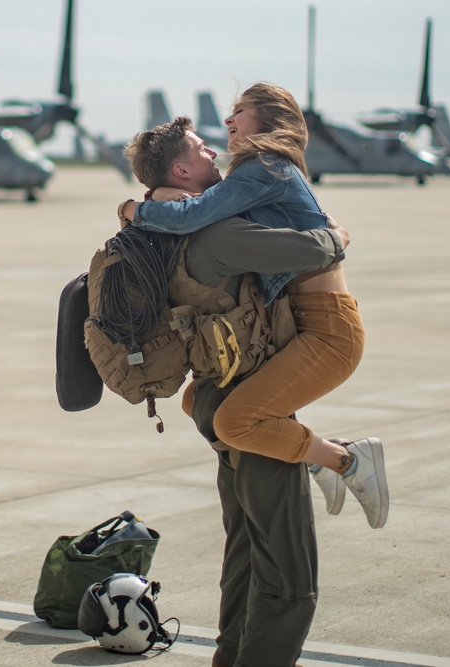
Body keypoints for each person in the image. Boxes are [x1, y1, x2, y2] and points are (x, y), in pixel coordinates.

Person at [120, 118, 346, 667]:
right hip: (252, 406)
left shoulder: (154, 232)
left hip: (214, 397)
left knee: (245, 554)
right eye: (202, 150)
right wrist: (336, 234)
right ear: (181, 170)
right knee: (288, 578)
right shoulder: (218, 233)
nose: (216, 153)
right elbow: (318, 250)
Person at [119, 83, 387, 530]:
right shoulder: (255, 173)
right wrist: (157, 199)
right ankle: (322, 454)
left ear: (267, 118)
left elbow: (192, 217)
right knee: (198, 400)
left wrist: (132, 209)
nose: (228, 121)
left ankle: (344, 461)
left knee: (235, 422)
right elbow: (197, 209)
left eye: (239, 111)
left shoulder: (265, 166)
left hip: (329, 329)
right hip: (300, 324)